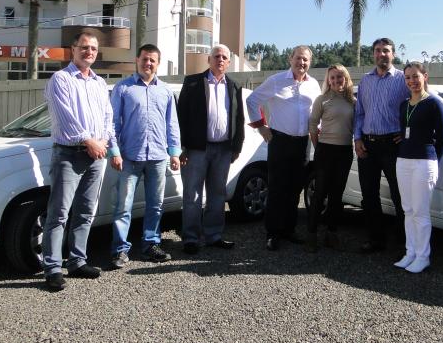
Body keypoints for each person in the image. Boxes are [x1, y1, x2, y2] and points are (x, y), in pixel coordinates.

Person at [42, 31, 121, 291]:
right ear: (73, 49)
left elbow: (108, 118)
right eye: (84, 47)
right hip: (70, 154)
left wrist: (107, 145)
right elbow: (66, 118)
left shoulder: (99, 83)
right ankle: (53, 268)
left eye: (93, 49)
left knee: (86, 212)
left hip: (96, 155)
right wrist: (89, 141)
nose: (89, 52)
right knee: (59, 214)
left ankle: (77, 261)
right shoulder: (60, 79)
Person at [109, 44, 180, 270]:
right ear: (136, 60)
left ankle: (151, 244)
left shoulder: (166, 91)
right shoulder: (123, 88)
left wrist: (174, 152)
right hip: (130, 157)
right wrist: (114, 151)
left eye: (152, 60)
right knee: (123, 206)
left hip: (158, 157)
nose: (148, 63)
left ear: (157, 63)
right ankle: (120, 249)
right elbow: (112, 124)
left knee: (155, 205)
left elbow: (172, 124)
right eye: (145, 59)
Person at [246, 45, 320, 251]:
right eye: (298, 58)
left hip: (301, 143)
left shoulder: (313, 84)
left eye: (305, 60)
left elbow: (316, 113)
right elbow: (252, 100)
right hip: (279, 141)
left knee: (295, 188)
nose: (301, 63)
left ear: (309, 62)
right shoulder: (277, 80)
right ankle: (273, 233)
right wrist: (261, 128)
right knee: (277, 188)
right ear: (290, 59)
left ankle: (289, 229)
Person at [178, 44, 245, 255]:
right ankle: (190, 238)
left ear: (229, 62)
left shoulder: (234, 86)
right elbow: (181, 118)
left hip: (223, 151)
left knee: (217, 194)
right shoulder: (192, 83)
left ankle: (214, 236)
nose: (221, 60)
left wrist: (237, 147)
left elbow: (239, 119)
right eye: (217, 56)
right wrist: (181, 147)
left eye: (225, 57)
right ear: (209, 60)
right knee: (193, 195)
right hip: (196, 150)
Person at [354, 37, 409, 254]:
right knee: (369, 195)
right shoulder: (365, 81)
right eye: (377, 50)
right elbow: (359, 113)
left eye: (385, 50)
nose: (381, 54)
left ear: (393, 54)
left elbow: (417, 107)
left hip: (393, 146)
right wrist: (357, 139)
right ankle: (375, 240)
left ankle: (403, 242)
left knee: (399, 195)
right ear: (373, 54)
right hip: (368, 145)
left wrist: (406, 134)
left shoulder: (402, 79)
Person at [394, 62, 443, 273]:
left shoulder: (434, 103)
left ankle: (423, 256)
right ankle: (411, 252)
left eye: (415, 76)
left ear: (424, 76)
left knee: (420, 212)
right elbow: (404, 130)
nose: (412, 81)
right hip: (403, 160)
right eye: (407, 77)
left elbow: (441, 138)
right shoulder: (404, 105)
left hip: (424, 162)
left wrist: (434, 162)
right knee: (407, 210)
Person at [306, 64, 356, 252]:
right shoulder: (322, 100)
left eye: (339, 77)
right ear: (328, 81)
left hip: (344, 152)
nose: (336, 81)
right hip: (325, 151)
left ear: (346, 78)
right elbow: (312, 123)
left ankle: (331, 233)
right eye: (332, 78)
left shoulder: (353, 101)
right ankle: (311, 234)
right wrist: (318, 146)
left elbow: (356, 127)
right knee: (320, 194)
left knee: (337, 195)